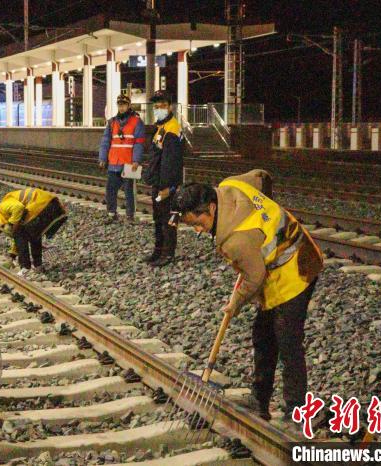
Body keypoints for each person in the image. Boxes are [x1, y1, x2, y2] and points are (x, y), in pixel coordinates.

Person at [169, 170, 323, 425]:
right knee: (262, 335)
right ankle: (259, 400)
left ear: (211, 207)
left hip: (297, 271)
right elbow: (262, 177)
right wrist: (266, 219)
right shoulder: (230, 185)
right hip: (280, 261)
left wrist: (235, 304)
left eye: (198, 223)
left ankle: (297, 410)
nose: (198, 230)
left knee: (288, 341)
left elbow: (254, 278)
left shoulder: (236, 240)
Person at [142, 91, 184, 267]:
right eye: (156, 106)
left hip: (166, 186)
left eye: (163, 106)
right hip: (158, 183)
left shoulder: (172, 129)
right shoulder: (161, 127)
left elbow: (171, 162)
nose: (159, 109)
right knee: (158, 218)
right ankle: (158, 250)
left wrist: (166, 187)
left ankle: (168, 253)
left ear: (170, 107)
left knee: (168, 219)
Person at [0, 188, 67, 275]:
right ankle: (38, 266)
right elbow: (18, 235)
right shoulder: (8, 215)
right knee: (33, 235)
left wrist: (11, 224)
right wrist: (12, 255)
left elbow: (18, 207)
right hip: (53, 207)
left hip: (44, 206)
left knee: (22, 233)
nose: (0, 232)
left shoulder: (2, 207)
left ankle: (25, 267)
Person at [98, 93, 145, 223]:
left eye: (124, 105)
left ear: (129, 105)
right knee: (110, 190)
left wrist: (136, 160)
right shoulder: (112, 122)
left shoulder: (137, 122)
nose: (121, 107)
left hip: (129, 163)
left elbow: (139, 143)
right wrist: (102, 158)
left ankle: (130, 216)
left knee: (129, 191)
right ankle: (111, 214)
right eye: (119, 105)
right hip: (114, 162)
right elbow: (105, 141)